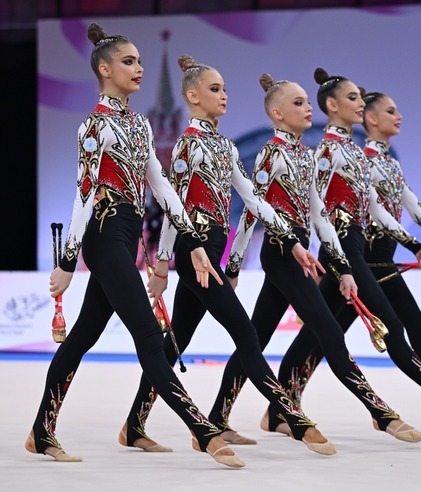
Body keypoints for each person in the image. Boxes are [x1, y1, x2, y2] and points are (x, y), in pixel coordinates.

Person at [25, 23, 245, 468]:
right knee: (149, 333)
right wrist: (68, 261)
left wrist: (194, 243)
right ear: (104, 69)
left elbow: (163, 188)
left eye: (141, 61)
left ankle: (41, 432)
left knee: (83, 335)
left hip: (127, 237)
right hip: (103, 237)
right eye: (129, 61)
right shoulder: (95, 126)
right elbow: (83, 194)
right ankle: (202, 430)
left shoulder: (140, 125)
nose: (139, 68)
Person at [121, 56, 336, 456]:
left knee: (176, 342)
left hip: (213, 250)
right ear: (192, 96)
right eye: (215, 89)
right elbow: (175, 208)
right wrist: (165, 262)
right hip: (193, 251)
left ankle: (134, 424)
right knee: (247, 332)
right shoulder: (188, 144)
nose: (224, 96)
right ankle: (293, 418)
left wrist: (289, 240)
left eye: (224, 89)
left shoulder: (226, 146)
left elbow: (253, 199)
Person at [198, 73, 421, 444]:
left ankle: (219, 417)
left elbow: (320, 218)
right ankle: (382, 416)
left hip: (300, 254)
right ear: (277, 113)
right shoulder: (271, 154)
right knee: (330, 332)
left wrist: (343, 267)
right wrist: (234, 265)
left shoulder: (305, 156)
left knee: (256, 337)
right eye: (299, 103)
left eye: (307, 102)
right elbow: (252, 212)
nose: (307, 110)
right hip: (281, 255)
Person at [270, 69, 421, 433]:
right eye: (389, 110)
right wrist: (310, 251)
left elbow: (400, 207)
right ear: (340, 107)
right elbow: (317, 207)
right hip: (350, 255)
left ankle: (281, 408)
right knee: (366, 330)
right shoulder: (330, 151)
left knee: (326, 334)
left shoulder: (371, 159)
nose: (398, 116)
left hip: (372, 256)